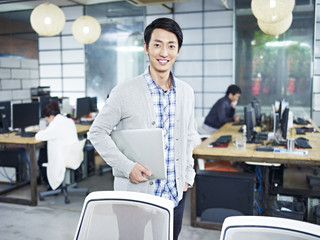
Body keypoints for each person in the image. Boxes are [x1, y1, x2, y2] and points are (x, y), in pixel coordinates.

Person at [88, 17, 195, 240]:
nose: (164, 52)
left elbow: (189, 136)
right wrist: (127, 167)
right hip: (134, 195)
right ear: (146, 47)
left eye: (171, 46)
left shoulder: (186, 92)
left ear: (178, 50)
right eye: (157, 44)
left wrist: (187, 175)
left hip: (174, 195)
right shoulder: (124, 91)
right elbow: (97, 132)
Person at [35, 101, 78, 190]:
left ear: (51, 116)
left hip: (63, 157)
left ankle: (50, 185)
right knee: (44, 153)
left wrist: (43, 130)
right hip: (73, 154)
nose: (47, 120)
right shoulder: (68, 120)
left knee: (41, 159)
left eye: (46, 118)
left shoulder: (55, 124)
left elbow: (39, 136)